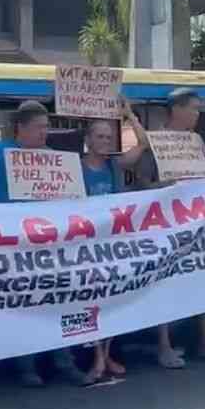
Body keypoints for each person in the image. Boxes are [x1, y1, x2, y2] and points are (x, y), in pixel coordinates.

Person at [0, 100, 91, 387]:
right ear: (20, 128)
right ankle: (27, 367)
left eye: (46, 127)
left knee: (54, 301)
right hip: (14, 244)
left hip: (47, 244)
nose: (43, 133)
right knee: (23, 304)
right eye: (38, 128)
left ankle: (64, 363)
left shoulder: (52, 157)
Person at [132, 88, 205, 368]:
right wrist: (166, 188)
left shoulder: (197, 140)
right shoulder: (155, 141)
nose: (197, 114)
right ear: (176, 109)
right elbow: (141, 184)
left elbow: (203, 175)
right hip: (165, 223)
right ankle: (163, 345)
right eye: (193, 108)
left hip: (196, 222)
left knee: (203, 277)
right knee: (165, 282)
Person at [81, 103, 150, 380]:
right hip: (86, 246)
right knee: (92, 303)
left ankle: (105, 356)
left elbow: (144, 143)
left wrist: (129, 115)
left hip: (113, 245)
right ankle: (98, 358)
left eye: (109, 137)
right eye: (99, 136)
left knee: (111, 302)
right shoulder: (76, 167)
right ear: (87, 140)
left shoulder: (115, 164)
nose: (105, 141)